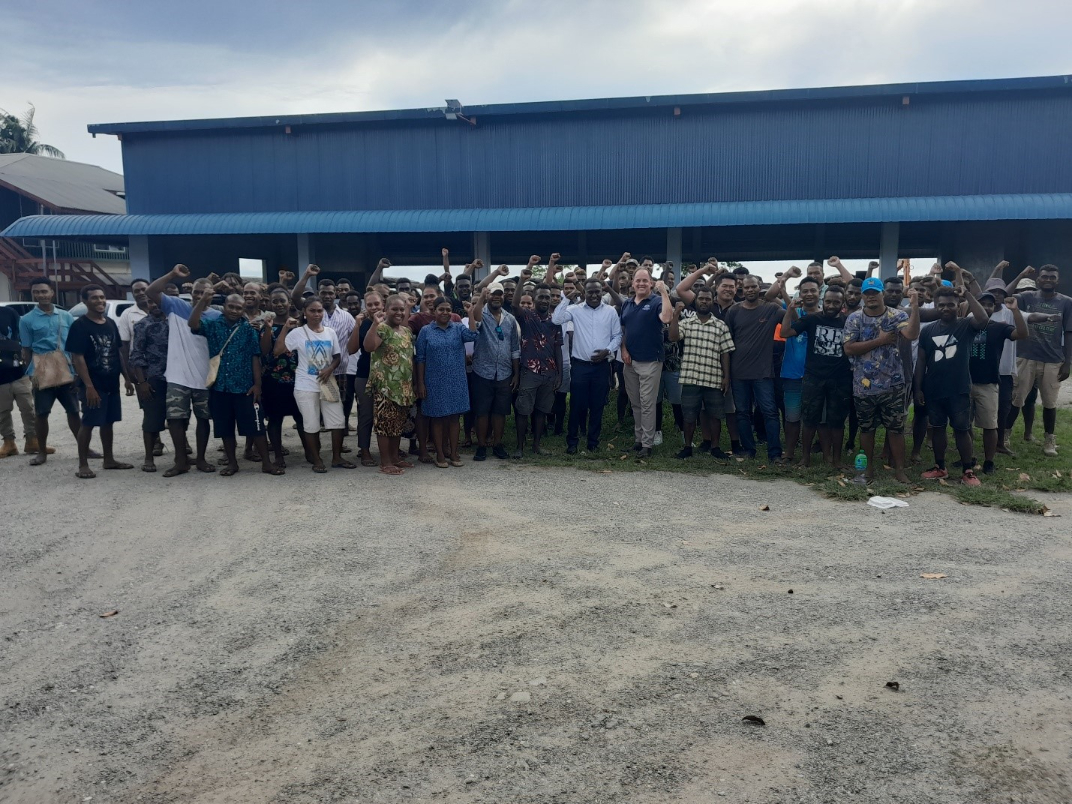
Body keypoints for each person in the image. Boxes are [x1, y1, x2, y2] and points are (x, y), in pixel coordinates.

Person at [190, 288, 282, 477]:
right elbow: (193, 323)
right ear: (224, 307)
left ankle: (266, 463)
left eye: (238, 308)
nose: (234, 310)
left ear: (243, 310)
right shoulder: (213, 325)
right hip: (220, 386)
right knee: (225, 428)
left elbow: (255, 357)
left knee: (256, 427)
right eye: (230, 306)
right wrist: (202, 302)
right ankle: (232, 463)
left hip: (245, 388)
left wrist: (258, 385)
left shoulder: (248, 329)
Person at [843, 277, 921, 484]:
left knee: (895, 429)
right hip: (863, 386)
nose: (871, 297)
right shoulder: (854, 319)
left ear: (882, 294)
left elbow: (911, 335)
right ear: (863, 296)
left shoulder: (898, 315)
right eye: (867, 294)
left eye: (874, 293)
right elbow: (849, 348)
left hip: (893, 384)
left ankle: (899, 470)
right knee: (867, 429)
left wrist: (915, 307)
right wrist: (881, 340)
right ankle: (868, 469)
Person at [145, 265, 219, 477]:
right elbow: (151, 292)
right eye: (196, 292)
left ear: (212, 294)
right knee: (176, 419)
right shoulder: (175, 305)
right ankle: (180, 460)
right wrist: (172, 275)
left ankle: (202, 458)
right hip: (177, 376)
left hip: (205, 377)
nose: (199, 296)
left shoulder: (217, 316)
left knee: (203, 419)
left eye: (205, 292)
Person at [915, 286, 989, 485]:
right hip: (934, 388)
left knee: (961, 429)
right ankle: (940, 467)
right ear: (935, 306)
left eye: (950, 305)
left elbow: (983, 319)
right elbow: (921, 361)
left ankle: (968, 470)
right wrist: (918, 388)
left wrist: (967, 294)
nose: (945, 308)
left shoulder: (966, 325)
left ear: (958, 306)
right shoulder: (928, 330)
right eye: (941, 305)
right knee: (937, 428)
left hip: (959, 388)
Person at [279, 298, 355, 473]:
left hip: (328, 383)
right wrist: (285, 329)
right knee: (311, 423)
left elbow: (337, 356)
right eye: (312, 311)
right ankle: (317, 459)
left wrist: (330, 369)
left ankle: (337, 457)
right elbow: (278, 350)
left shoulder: (330, 332)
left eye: (319, 310)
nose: (317, 314)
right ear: (304, 312)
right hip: (305, 386)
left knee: (337, 421)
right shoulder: (298, 333)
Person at [65, 285, 133, 478]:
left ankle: (109, 459)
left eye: (102, 297)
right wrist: (88, 387)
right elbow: (77, 358)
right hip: (92, 385)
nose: (100, 301)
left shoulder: (110, 323)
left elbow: (118, 352)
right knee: (88, 423)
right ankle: (83, 464)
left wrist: (126, 378)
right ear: (85, 301)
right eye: (94, 298)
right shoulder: (80, 326)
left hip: (111, 382)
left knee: (108, 422)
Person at [1005, 264, 1072, 457]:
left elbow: (1068, 332)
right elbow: (1004, 296)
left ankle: (1049, 440)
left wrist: (1067, 361)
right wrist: (1020, 274)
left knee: (1050, 402)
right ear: (1038, 280)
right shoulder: (1026, 297)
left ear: (1057, 280)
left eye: (1052, 277)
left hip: (1052, 359)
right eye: (1045, 277)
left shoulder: (1067, 302)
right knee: (1017, 399)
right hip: (1025, 356)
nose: (1048, 280)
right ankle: (1006, 436)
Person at [783, 284, 852, 468]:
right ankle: (805, 458)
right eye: (828, 301)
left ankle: (836, 460)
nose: (831, 305)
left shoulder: (848, 322)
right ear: (823, 301)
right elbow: (785, 332)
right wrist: (790, 310)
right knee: (810, 419)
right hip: (814, 377)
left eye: (836, 302)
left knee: (837, 421)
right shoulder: (812, 319)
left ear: (842, 303)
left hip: (840, 378)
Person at [724, 273, 790, 461]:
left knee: (770, 412)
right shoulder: (734, 311)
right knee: (742, 413)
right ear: (741, 289)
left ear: (759, 288)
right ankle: (749, 450)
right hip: (738, 373)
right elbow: (726, 345)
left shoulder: (772, 309)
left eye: (754, 287)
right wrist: (727, 375)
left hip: (763, 372)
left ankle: (774, 452)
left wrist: (784, 291)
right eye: (747, 287)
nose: (750, 290)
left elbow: (791, 317)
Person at [552, 278, 622, 454]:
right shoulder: (574, 310)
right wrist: (567, 298)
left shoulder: (610, 312)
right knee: (577, 405)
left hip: (601, 367)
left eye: (597, 291)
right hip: (580, 366)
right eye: (590, 291)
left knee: (597, 405)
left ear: (601, 292)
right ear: (584, 293)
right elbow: (556, 319)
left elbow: (617, 336)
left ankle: (593, 442)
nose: (594, 295)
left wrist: (607, 351)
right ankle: (572, 443)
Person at [19, 276, 83, 465]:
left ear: (52, 293)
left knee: (73, 411)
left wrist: (78, 372)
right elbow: (26, 349)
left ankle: (84, 447)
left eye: (44, 291)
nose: (41, 295)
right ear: (32, 294)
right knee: (41, 413)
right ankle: (42, 452)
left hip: (67, 369)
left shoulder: (66, 316)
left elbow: (74, 346)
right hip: (41, 370)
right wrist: (31, 374)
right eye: (36, 292)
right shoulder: (26, 320)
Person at [669, 287, 735, 459]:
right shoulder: (686, 323)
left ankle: (715, 447)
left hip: (713, 378)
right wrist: (676, 315)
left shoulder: (720, 326)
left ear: (712, 301)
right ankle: (687, 447)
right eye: (701, 299)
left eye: (707, 299)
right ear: (696, 301)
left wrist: (726, 377)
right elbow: (673, 337)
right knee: (689, 416)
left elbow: (725, 352)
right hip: (691, 377)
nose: (704, 301)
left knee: (715, 415)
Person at [415, 297, 478, 467]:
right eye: (441, 309)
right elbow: (420, 358)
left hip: (456, 380)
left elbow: (473, 335)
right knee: (437, 419)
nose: (445, 313)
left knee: (454, 418)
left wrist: (471, 313)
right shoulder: (425, 331)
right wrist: (420, 383)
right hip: (433, 381)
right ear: (434, 311)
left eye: (448, 309)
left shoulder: (458, 328)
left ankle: (454, 453)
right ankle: (440, 455)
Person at [969, 291, 1028, 473]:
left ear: (994, 308)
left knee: (990, 424)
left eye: (990, 304)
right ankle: (968, 458)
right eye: (982, 303)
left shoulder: (999, 327)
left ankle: (989, 461)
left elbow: (1022, 333)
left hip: (988, 383)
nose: (986, 307)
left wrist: (1015, 311)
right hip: (965, 381)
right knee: (963, 424)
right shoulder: (965, 325)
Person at [620, 270, 674, 458]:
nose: (641, 284)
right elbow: (624, 330)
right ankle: (638, 439)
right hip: (630, 361)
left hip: (650, 360)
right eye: (638, 281)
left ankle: (647, 444)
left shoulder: (657, 301)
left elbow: (667, 318)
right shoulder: (626, 304)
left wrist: (664, 292)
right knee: (635, 403)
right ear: (632, 284)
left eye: (645, 281)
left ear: (651, 283)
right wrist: (623, 350)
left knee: (648, 403)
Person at [511, 271, 562, 458]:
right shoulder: (526, 316)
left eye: (547, 297)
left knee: (541, 411)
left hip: (549, 373)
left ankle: (537, 445)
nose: (544, 300)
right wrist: (522, 280)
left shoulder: (555, 321)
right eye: (541, 297)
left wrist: (560, 374)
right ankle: (519, 447)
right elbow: (514, 304)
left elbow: (558, 348)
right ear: (534, 298)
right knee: (523, 410)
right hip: (529, 371)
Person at [364, 295, 416, 476]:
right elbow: (369, 347)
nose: (399, 312)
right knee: (384, 426)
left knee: (397, 425)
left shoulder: (407, 331)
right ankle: (385, 462)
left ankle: (394, 457)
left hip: (403, 387)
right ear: (386, 310)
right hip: (385, 387)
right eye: (394, 309)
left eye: (402, 309)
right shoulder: (382, 328)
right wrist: (374, 324)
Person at [468, 283, 520, 461]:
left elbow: (514, 347)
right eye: (493, 294)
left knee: (500, 411)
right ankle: (481, 446)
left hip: (504, 373)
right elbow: (475, 320)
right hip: (482, 371)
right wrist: (482, 296)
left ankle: (497, 444)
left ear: (503, 296)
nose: (496, 297)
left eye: (499, 294)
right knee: (482, 411)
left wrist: (516, 373)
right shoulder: (481, 314)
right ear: (488, 296)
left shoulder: (510, 319)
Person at [779, 276, 821, 462]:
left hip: (818, 376)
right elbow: (784, 332)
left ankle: (813, 453)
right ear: (800, 294)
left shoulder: (825, 316)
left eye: (813, 290)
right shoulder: (793, 313)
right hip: (793, 375)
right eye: (805, 291)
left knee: (816, 418)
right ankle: (789, 452)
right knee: (792, 417)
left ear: (820, 292)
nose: (809, 294)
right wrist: (789, 309)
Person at [260, 287, 303, 469]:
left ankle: (309, 451)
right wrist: (269, 330)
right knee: (275, 419)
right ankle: (278, 455)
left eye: (282, 301)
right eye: (275, 301)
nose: (278, 304)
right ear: (270, 303)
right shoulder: (266, 325)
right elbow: (264, 351)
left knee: (301, 418)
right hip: (273, 380)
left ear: (289, 303)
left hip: (298, 379)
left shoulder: (300, 325)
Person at [129, 297, 170, 472]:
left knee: (178, 418)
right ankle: (148, 457)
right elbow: (136, 354)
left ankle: (182, 454)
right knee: (151, 419)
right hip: (153, 378)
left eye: (157, 302)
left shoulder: (175, 322)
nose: (154, 305)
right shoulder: (142, 325)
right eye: (151, 302)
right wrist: (142, 382)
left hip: (176, 377)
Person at [346, 290, 384, 467]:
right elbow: (351, 350)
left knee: (388, 413)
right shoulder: (362, 323)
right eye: (370, 304)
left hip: (388, 375)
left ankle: (389, 449)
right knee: (366, 414)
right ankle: (365, 450)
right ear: (365, 306)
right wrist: (356, 326)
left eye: (376, 303)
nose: (374, 307)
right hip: (364, 373)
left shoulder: (391, 321)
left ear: (383, 303)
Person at [0, 303, 39, 458]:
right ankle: (9, 443)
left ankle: (32, 440)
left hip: (18, 372)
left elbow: (23, 336)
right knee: (2, 412)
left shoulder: (8, 312)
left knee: (28, 408)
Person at [117, 278, 150, 397]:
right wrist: (128, 371)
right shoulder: (127, 314)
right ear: (133, 294)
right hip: (140, 369)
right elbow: (123, 346)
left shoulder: (160, 310)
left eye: (143, 289)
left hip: (163, 366)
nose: (141, 293)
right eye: (137, 291)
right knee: (148, 406)